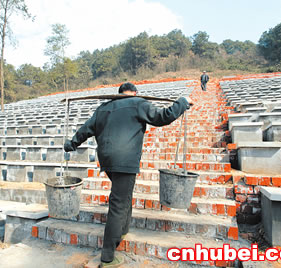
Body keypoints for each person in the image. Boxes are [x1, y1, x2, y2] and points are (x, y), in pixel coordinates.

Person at [64, 82, 192, 267]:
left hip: (107, 160)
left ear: (120, 93)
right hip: (124, 160)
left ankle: (122, 230)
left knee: (123, 195)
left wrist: (71, 144)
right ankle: (107, 257)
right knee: (118, 203)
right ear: (134, 92)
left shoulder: (104, 108)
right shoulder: (138, 102)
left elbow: (85, 130)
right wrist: (183, 102)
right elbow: (163, 117)